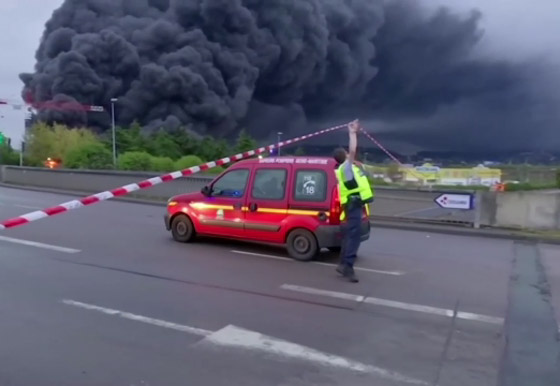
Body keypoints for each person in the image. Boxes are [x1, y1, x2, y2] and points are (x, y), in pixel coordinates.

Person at [333, 120, 374, 283]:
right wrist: (352, 133)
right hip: (354, 204)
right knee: (354, 237)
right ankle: (347, 267)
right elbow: (353, 149)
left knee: (350, 235)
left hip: (352, 204)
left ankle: (343, 263)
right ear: (344, 155)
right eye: (346, 153)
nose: (349, 154)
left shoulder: (347, 169)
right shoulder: (346, 168)